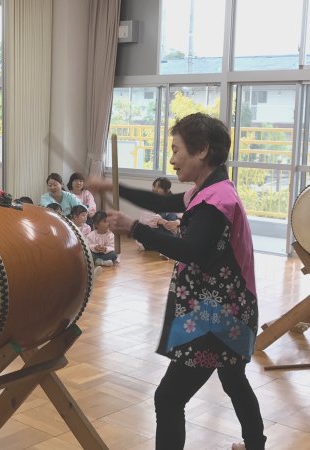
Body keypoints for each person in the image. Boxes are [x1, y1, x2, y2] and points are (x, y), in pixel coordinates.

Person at [87, 113, 265, 450]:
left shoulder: (215, 202)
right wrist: (112, 187)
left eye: (176, 150)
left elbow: (191, 251)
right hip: (229, 310)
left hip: (216, 317)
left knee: (169, 397)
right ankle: (256, 445)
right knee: (234, 380)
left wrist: (135, 228)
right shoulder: (211, 190)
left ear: (202, 151)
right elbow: (161, 201)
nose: (172, 159)